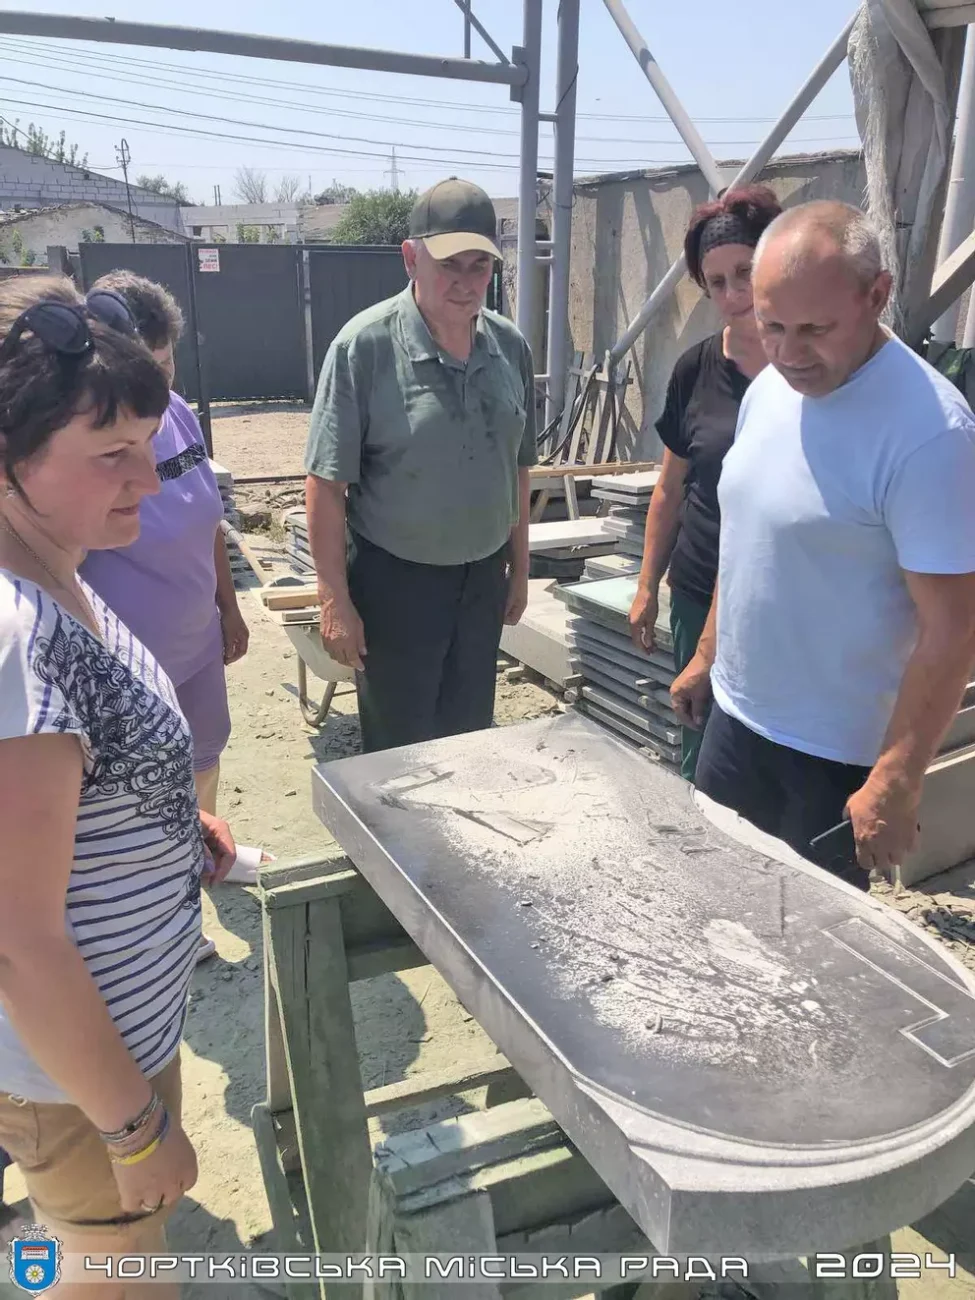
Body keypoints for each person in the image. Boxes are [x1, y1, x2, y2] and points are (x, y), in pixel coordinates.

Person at [0, 275, 234, 1294]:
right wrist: (133, 1127)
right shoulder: (16, 645)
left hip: (112, 1046)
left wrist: (173, 829)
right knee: (115, 1275)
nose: (148, 477)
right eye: (110, 454)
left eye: (146, 443)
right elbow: (18, 941)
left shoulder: (63, 571)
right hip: (78, 1083)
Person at [670, 202, 975, 884]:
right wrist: (707, 655)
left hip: (832, 759)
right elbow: (749, 537)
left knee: (805, 943)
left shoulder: (929, 434)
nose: (787, 352)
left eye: (814, 329)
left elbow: (954, 628)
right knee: (714, 909)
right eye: (771, 325)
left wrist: (895, 777)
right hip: (735, 723)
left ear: (876, 295)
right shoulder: (771, 390)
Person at [304, 177, 536, 753]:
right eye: (448, 264)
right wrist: (334, 600)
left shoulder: (509, 347)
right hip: (395, 585)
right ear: (411, 258)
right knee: (399, 752)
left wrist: (519, 568)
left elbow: (517, 467)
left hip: (481, 580)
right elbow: (326, 485)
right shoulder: (364, 348)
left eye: (479, 266)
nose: (465, 282)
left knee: (470, 738)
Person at [80, 274, 248, 963]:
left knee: (202, 760)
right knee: (140, 791)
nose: (158, 386)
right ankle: (172, 915)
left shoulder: (178, 413)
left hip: (195, 639)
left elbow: (207, 516)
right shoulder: (87, 435)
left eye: (166, 366)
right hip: (128, 659)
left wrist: (228, 606)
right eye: (143, 371)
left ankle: (199, 860)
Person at [628, 185, 782, 779]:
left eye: (746, 272)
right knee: (703, 755)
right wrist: (647, 584)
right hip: (697, 589)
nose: (733, 294)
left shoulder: (808, 371)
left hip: (779, 598)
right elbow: (670, 489)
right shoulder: (695, 368)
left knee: (772, 764)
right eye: (716, 282)